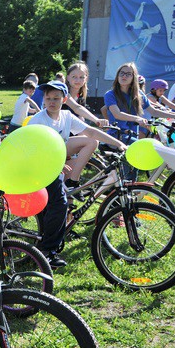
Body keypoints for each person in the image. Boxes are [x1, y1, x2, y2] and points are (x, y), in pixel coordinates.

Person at [29, 81, 127, 268]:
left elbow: (90, 131)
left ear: (64, 100)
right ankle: (47, 252)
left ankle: (73, 182)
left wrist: (117, 143)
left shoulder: (66, 115)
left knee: (91, 141)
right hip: (40, 164)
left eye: (56, 98)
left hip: (56, 160)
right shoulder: (39, 120)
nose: (51, 102)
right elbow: (33, 149)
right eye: (48, 98)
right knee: (59, 204)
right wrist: (57, 165)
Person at [105, 63, 175, 149]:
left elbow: (153, 111)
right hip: (117, 136)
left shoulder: (138, 94)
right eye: (121, 73)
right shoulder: (110, 94)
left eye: (128, 74)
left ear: (133, 77)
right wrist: (137, 118)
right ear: (117, 76)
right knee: (150, 149)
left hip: (132, 135)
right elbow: (117, 114)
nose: (124, 76)